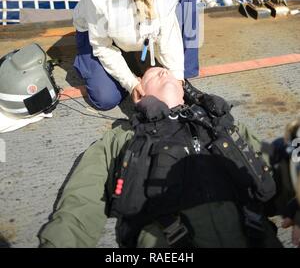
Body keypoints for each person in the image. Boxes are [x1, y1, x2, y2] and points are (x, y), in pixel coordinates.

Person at [38, 68, 300, 248]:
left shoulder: (224, 126)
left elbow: (278, 172)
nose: (162, 69)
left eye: (168, 71)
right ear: (139, 93)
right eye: (151, 73)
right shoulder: (122, 139)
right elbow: (80, 205)